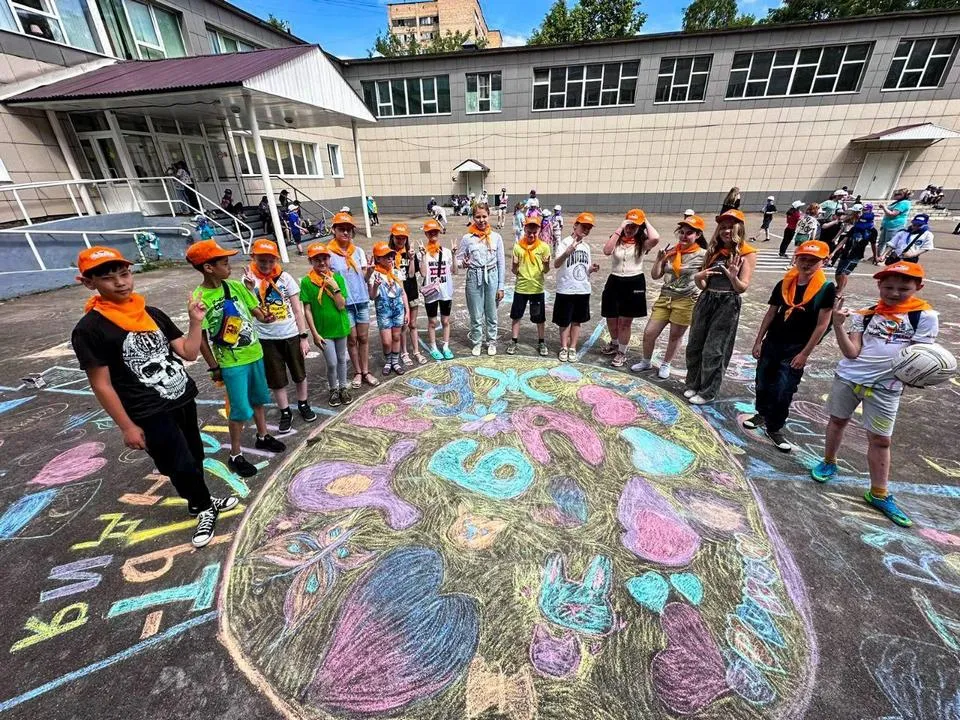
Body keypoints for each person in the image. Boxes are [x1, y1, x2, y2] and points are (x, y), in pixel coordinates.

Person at [71, 246, 238, 549]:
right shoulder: (89, 329)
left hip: (181, 396)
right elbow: (102, 384)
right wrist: (126, 426)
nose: (121, 283)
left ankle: (197, 500)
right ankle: (203, 508)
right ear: (88, 282)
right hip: (147, 409)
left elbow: (188, 352)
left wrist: (196, 320)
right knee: (178, 463)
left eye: (124, 274)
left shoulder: (152, 314)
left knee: (194, 454)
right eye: (109, 278)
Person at [811, 262, 939, 528]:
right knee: (837, 421)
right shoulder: (866, 314)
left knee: (881, 440)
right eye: (888, 287)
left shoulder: (924, 317)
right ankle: (829, 461)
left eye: (903, 288)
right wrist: (837, 326)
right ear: (879, 285)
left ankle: (879, 492)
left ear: (918, 287)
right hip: (849, 377)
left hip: (886, 388)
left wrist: (917, 378)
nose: (894, 293)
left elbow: (921, 358)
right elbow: (851, 353)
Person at [187, 239, 286, 478]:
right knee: (239, 410)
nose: (228, 266)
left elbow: (258, 315)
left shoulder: (236, 286)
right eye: (223, 263)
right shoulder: (200, 298)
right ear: (208, 268)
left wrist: (267, 316)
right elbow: (199, 337)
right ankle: (235, 454)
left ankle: (263, 436)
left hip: (254, 353)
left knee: (259, 399)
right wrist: (213, 366)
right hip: (232, 362)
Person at [744, 241, 836, 451]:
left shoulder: (825, 289)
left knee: (784, 388)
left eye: (813, 260)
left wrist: (805, 353)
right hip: (773, 341)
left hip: (795, 347)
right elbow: (771, 313)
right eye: (803, 258)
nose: (807, 264)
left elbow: (822, 325)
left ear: (823, 262)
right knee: (763, 381)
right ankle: (761, 414)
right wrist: (759, 340)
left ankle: (775, 427)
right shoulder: (785, 283)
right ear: (796, 258)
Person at [684, 209, 757, 405]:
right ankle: (693, 384)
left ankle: (708, 391)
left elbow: (742, 288)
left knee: (715, 350)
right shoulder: (713, 251)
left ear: (738, 228)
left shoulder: (746, 253)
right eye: (722, 227)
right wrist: (698, 278)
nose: (726, 231)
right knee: (695, 345)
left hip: (727, 302)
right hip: (707, 298)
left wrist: (733, 277)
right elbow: (703, 284)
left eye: (730, 227)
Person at [242, 238, 316, 433]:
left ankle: (303, 403)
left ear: (276, 260)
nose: (266, 265)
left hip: (290, 334)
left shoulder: (285, 278)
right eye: (262, 260)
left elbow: (297, 309)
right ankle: (285, 411)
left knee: (299, 373)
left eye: (270, 260)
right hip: (266, 338)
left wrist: (303, 336)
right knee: (276, 379)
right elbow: (248, 309)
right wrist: (249, 290)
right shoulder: (249, 280)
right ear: (253, 257)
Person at [632, 215, 707, 379]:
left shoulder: (703, 255)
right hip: (665, 298)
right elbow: (655, 275)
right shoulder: (672, 251)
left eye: (689, 233)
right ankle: (646, 361)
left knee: (675, 336)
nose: (684, 236)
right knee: (649, 333)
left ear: (698, 235)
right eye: (682, 232)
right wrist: (659, 259)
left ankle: (666, 364)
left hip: (686, 300)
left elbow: (705, 279)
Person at [600, 209, 660, 368]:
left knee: (625, 322)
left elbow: (655, 238)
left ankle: (622, 352)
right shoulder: (617, 239)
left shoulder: (642, 243)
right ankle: (614, 343)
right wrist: (620, 228)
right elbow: (606, 251)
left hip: (634, 282)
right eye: (629, 224)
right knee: (611, 318)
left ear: (639, 227)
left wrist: (645, 221)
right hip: (615, 280)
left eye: (634, 226)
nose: (630, 228)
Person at [326, 212, 378, 390]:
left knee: (363, 338)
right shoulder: (328, 254)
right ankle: (357, 372)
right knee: (352, 339)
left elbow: (363, 277)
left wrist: (370, 272)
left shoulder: (359, 252)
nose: (346, 233)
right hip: (344, 304)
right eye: (342, 229)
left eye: (349, 230)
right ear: (334, 230)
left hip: (362, 300)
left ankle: (365, 371)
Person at [300, 242, 352, 407]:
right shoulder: (308, 282)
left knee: (342, 358)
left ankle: (343, 387)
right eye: (317, 260)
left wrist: (334, 287)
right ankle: (333, 389)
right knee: (332, 362)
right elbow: (307, 310)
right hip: (323, 330)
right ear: (311, 261)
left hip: (340, 326)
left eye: (324, 258)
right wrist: (314, 334)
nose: (321, 263)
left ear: (329, 259)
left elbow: (341, 305)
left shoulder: (337, 278)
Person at [456, 203, 505, 356]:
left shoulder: (496, 237)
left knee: (491, 313)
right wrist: (462, 263)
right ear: (473, 218)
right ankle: (477, 342)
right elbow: (458, 260)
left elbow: (501, 262)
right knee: (476, 314)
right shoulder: (467, 238)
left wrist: (500, 286)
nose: (481, 220)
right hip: (473, 277)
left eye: (484, 216)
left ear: (489, 216)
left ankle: (491, 341)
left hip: (492, 275)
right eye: (478, 216)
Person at [553, 212, 599, 363]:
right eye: (583, 226)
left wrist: (591, 269)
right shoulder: (564, 243)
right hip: (566, 288)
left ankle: (573, 347)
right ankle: (563, 347)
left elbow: (584, 270)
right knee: (564, 321)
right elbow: (556, 264)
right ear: (575, 225)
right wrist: (567, 252)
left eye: (588, 228)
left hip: (582, 289)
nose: (585, 230)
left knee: (577, 321)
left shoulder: (586, 247)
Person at [507, 214, 553, 357]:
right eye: (529, 232)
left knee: (539, 318)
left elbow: (546, 270)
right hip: (521, 288)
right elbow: (515, 271)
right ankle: (514, 341)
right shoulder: (518, 247)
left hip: (536, 288)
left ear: (538, 231)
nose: (531, 235)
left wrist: (546, 263)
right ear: (524, 229)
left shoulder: (544, 247)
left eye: (534, 232)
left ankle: (541, 341)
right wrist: (514, 265)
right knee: (516, 316)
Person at [388, 223, 426, 365]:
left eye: (404, 238)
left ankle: (416, 351)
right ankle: (404, 352)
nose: (401, 240)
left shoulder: (409, 252)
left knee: (413, 324)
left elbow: (411, 275)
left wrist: (411, 259)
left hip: (411, 292)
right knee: (403, 325)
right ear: (392, 237)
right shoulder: (388, 254)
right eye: (398, 237)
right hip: (396, 295)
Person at [419, 218, 456, 360]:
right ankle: (434, 346)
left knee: (445, 321)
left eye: (435, 232)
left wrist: (453, 254)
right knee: (432, 321)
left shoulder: (446, 252)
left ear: (439, 233)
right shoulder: (424, 253)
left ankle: (446, 346)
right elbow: (423, 273)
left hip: (445, 292)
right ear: (426, 234)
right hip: (431, 293)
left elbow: (455, 271)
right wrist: (422, 256)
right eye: (430, 232)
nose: (433, 234)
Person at [369, 242, 409, 375]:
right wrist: (375, 286)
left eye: (391, 255)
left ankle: (395, 362)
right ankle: (388, 361)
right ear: (378, 258)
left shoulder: (397, 272)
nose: (390, 258)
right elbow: (372, 296)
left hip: (398, 309)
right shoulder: (375, 274)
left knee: (396, 337)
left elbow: (403, 293)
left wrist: (407, 312)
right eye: (386, 256)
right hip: (384, 310)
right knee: (387, 341)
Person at [832, 204, 877, 294]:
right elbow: (844, 240)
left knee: (844, 273)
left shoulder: (872, 231)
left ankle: (840, 291)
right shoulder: (855, 228)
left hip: (856, 255)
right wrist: (833, 252)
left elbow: (873, 244)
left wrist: (875, 256)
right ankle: (839, 287)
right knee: (838, 273)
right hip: (846, 252)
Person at [877, 188, 912, 259]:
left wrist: (884, 207)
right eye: (896, 193)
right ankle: (877, 256)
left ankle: (885, 258)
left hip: (895, 225)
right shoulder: (897, 202)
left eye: (899, 194)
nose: (896, 195)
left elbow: (893, 214)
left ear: (905, 195)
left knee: (889, 243)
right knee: (881, 242)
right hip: (887, 224)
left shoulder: (904, 203)